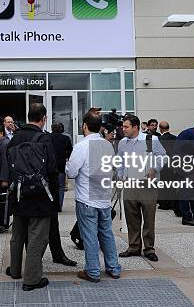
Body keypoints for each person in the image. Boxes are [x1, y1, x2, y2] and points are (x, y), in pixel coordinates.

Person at [4, 103, 57, 291]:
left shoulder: (15, 138)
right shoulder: (44, 138)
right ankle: (32, 279)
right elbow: (52, 168)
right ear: (43, 118)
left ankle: (16, 270)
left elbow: (8, 164)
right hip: (40, 196)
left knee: (17, 234)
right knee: (37, 237)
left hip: (19, 194)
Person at [66, 111, 122, 282]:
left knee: (89, 235)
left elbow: (72, 172)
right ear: (100, 128)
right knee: (106, 233)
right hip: (104, 197)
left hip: (87, 198)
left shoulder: (81, 146)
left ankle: (93, 271)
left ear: (84, 126)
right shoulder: (107, 145)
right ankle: (113, 267)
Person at [117, 115, 166, 261]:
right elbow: (120, 161)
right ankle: (134, 247)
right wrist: (121, 176)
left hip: (148, 184)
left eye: (126, 127)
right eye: (123, 126)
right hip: (130, 184)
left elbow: (163, 157)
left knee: (149, 217)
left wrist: (154, 169)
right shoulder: (122, 143)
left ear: (135, 127)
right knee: (131, 217)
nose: (123, 129)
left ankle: (149, 248)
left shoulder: (151, 140)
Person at [157, 121, 180, 216]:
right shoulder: (175, 138)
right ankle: (172, 203)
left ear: (160, 128)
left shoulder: (158, 139)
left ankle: (164, 204)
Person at [50, 123, 72, 211]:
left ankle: (51, 204)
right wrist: (67, 158)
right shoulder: (65, 139)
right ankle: (59, 205)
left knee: (51, 186)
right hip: (61, 165)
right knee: (61, 187)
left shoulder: (47, 138)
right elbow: (70, 151)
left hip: (50, 166)